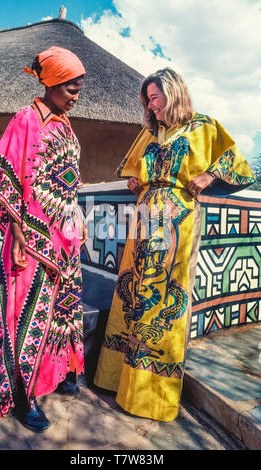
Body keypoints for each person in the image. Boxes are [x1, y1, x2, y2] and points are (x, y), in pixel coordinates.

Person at [94, 67, 255, 422]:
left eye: (156, 98)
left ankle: (149, 398)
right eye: (148, 100)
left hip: (177, 216)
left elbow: (240, 169)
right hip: (144, 216)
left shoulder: (204, 127)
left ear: (174, 92)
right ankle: (115, 380)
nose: (151, 107)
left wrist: (209, 175)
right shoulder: (150, 133)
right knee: (132, 293)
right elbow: (134, 170)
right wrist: (138, 183)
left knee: (165, 295)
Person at [0, 46, 87, 432]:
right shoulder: (25, 120)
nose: (76, 96)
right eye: (72, 89)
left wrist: (75, 212)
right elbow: (6, 182)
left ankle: (57, 374)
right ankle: (23, 397)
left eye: (79, 89)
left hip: (65, 239)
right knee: (22, 319)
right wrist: (17, 235)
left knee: (59, 313)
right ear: (54, 82)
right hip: (32, 242)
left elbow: (67, 181)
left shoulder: (64, 124)